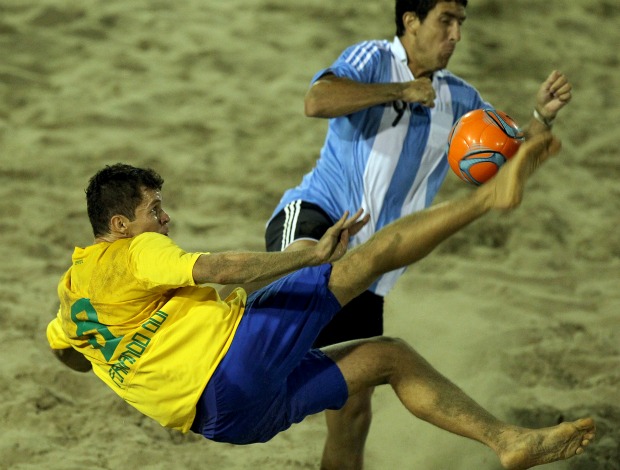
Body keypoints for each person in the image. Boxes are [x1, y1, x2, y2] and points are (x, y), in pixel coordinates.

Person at [46, 133, 595, 469]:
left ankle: (508, 442)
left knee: (388, 357)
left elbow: (68, 354)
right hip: (230, 365)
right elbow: (219, 269)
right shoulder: (132, 253)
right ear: (120, 224)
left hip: (226, 422)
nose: (165, 220)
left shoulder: (71, 298)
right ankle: (488, 198)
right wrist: (307, 257)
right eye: (155, 210)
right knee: (358, 261)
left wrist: (112, 356)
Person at [264, 1, 573, 467]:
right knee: (310, 269)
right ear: (411, 21)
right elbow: (317, 100)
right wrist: (400, 90)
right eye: (445, 21)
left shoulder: (461, 98)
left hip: (374, 266)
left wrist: (540, 120)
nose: (456, 35)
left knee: (352, 411)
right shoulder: (375, 58)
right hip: (316, 215)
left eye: (460, 24)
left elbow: (506, 152)